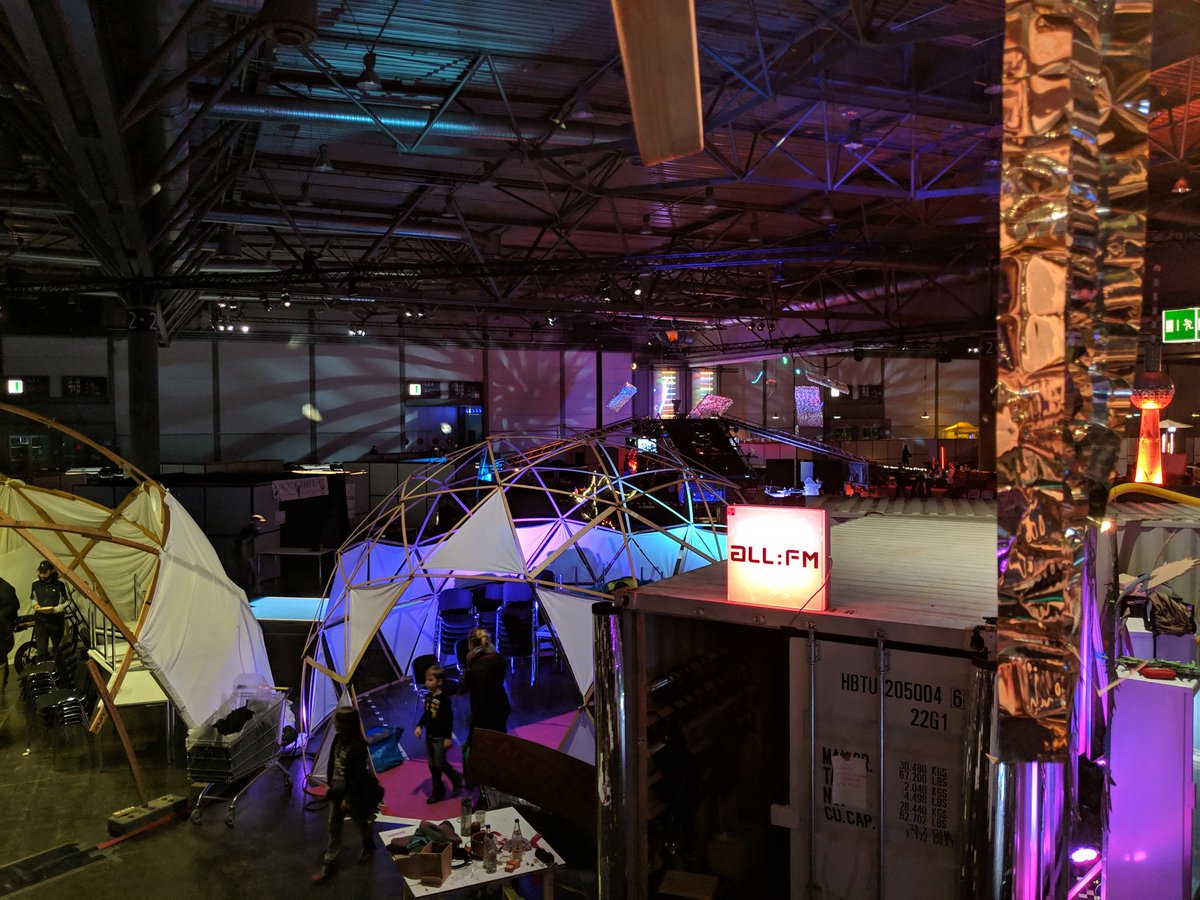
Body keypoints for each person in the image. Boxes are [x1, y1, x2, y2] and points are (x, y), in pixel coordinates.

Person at [312, 706, 383, 885]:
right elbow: (332, 763)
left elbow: (356, 776)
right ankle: (329, 863)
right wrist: (330, 785)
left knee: (360, 821)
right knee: (333, 826)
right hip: (337, 790)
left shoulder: (358, 747)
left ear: (346, 724)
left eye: (337, 720)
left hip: (351, 792)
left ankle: (368, 843)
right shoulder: (338, 738)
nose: (334, 723)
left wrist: (349, 799)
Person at [460, 627, 511, 799]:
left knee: (481, 751)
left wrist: (473, 725)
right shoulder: (498, 658)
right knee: (499, 745)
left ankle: (483, 789)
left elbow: (477, 695)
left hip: (485, 714)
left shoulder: (477, 668)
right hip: (501, 707)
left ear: (471, 643)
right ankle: (502, 780)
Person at [414, 663, 462, 804]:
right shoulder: (429, 696)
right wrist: (419, 725)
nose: (427, 683)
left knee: (440, 763)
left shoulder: (444, 700)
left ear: (439, 682)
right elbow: (427, 713)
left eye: (430, 680)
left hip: (440, 737)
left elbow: (449, 719)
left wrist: (448, 737)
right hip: (429, 736)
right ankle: (438, 791)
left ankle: (455, 778)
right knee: (432, 765)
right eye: (426, 679)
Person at [29, 561, 68, 663]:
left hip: (56, 621)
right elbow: (33, 598)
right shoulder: (35, 584)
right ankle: (42, 669)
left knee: (58, 649)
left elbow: (68, 601)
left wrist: (55, 609)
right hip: (40, 621)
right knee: (41, 651)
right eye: (40, 572)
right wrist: (35, 605)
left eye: (45, 572)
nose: (42, 575)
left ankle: (59, 669)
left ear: (51, 571)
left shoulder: (61, 583)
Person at [233, 514, 265, 594]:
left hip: (245, 554)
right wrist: (245, 557)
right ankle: (243, 590)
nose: (259, 526)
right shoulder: (247, 530)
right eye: (258, 522)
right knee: (244, 572)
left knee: (250, 571)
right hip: (241, 555)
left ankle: (250, 589)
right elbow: (243, 544)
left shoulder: (252, 531)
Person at [0, 576, 19, 688]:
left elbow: (15, 605)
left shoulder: (6, 588)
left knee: (1, 654)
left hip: (4, 627)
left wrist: (1, 615)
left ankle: (2, 682)